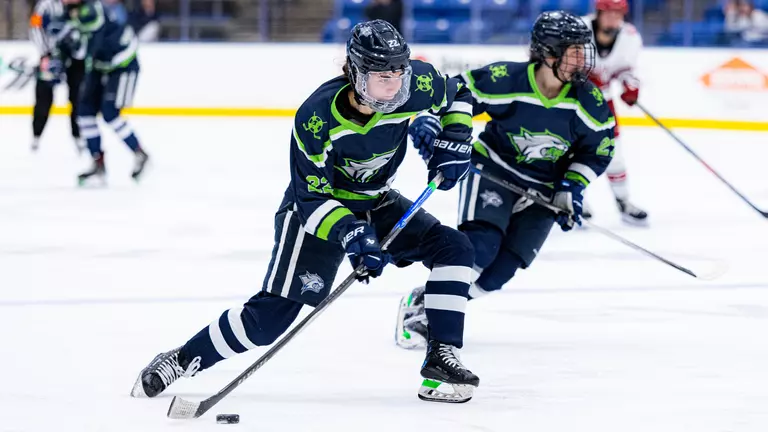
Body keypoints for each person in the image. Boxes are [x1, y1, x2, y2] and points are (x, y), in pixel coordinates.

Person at [130, 20, 481, 403]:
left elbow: (459, 93)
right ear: (357, 73)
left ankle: (440, 357)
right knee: (269, 320)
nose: (395, 85)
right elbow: (311, 198)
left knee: (455, 249)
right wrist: (350, 233)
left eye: (400, 72)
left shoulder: (416, 85)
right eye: (383, 76)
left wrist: (456, 141)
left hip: (377, 200)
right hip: (317, 212)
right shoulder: (316, 117)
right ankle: (182, 359)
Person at [396, 11, 615, 349]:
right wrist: (430, 121)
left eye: (582, 50)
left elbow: (598, 151)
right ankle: (426, 314)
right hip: (494, 171)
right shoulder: (506, 78)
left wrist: (572, 186)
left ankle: (428, 297)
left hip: (545, 189)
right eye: (573, 51)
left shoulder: (590, 101)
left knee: (499, 273)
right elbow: (455, 94)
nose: (581, 59)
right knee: (479, 249)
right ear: (547, 52)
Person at [61, 0, 150, 184]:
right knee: (84, 112)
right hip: (100, 65)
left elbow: (88, 49)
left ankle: (140, 153)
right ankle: (98, 164)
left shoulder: (91, 10)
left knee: (110, 112)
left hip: (122, 64)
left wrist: (62, 65)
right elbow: (65, 43)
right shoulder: (67, 11)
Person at [581, 0, 648, 225]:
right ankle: (576, 200)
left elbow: (626, 69)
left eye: (618, 13)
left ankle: (624, 202)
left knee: (614, 154)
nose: (613, 18)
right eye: (609, 12)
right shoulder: (578, 30)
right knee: (573, 152)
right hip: (572, 102)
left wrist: (630, 86)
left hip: (603, 103)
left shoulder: (630, 37)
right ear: (598, 13)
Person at [28, 0, 86, 153]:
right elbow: (35, 26)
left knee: (78, 96)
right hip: (51, 56)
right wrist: (45, 54)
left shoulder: (84, 5)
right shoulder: (46, 5)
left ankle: (79, 136)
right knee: (44, 96)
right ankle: (36, 136)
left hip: (76, 59)